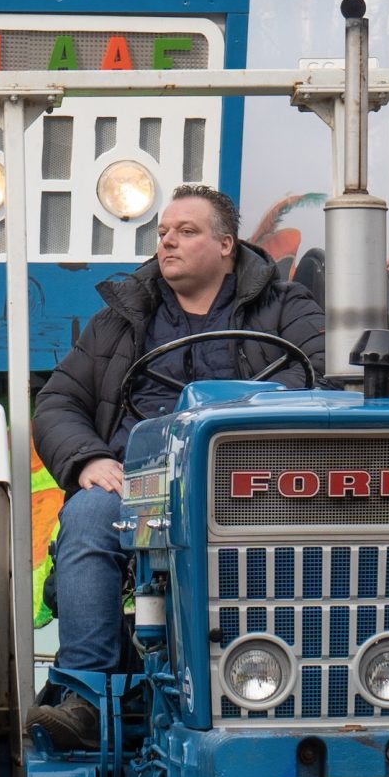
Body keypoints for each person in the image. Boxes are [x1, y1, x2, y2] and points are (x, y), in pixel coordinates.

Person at [30, 185, 324, 747]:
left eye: (186, 231)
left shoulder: (288, 308)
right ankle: (87, 696)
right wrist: (88, 457)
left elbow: (322, 377)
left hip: (259, 484)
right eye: (163, 232)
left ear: (225, 245)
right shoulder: (118, 321)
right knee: (90, 516)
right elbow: (59, 400)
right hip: (142, 486)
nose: (168, 241)